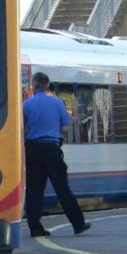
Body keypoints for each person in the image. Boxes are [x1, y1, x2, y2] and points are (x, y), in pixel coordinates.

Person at [23, 71, 90, 237]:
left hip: (33, 149)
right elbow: (66, 125)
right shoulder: (57, 103)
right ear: (47, 86)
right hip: (52, 148)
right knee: (62, 188)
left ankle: (35, 227)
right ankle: (78, 224)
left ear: (34, 86)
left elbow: (22, 126)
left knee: (34, 190)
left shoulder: (27, 104)